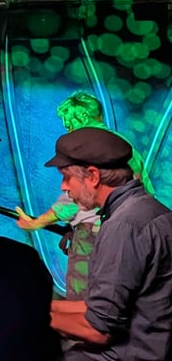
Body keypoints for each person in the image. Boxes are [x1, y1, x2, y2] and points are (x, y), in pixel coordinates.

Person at [46, 127, 172, 360]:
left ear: (93, 176)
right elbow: (101, 307)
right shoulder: (154, 211)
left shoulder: (123, 227)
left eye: (67, 177)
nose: (64, 186)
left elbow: (99, 329)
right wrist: (36, 304)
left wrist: (27, 314)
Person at [16, 91, 153, 300]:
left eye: (68, 124)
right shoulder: (123, 145)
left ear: (79, 118)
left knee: (84, 302)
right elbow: (146, 190)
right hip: (128, 232)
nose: (68, 129)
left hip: (93, 235)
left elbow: (74, 201)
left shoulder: (88, 148)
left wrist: (37, 223)